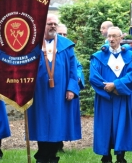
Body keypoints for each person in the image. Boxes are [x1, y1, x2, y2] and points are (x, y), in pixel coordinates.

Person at [27, 14, 81, 163]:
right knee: (41, 123)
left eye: (54, 24)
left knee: (57, 124)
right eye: (49, 24)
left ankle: (52, 157)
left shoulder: (66, 46)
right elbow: (24, 68)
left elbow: (73, 70)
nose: (52, 26)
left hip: (60, 93)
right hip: (39, 93)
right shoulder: (33, 44)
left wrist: (71, 88)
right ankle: (42, 156)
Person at [89, 26, 132, 163]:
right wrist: (108, 88)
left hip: (122, 98)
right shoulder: (99, 56)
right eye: (109, 36)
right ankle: (106, 156)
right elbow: (94, 77)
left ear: (121, 38)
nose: (111, 39)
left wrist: (116, 85)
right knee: (105, 126)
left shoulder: (129, 56)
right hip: (105, 98)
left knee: (122, 125)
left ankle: (120, 156)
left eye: (114, 36)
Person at [56, 23, 85, 152]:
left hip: (67, 88)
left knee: (63, 117)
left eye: (65, 34)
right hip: (55, 88)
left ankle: (60, 144)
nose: (63, 36)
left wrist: (76, 81)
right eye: (60, 34)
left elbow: (77, 66)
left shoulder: (68, 49)